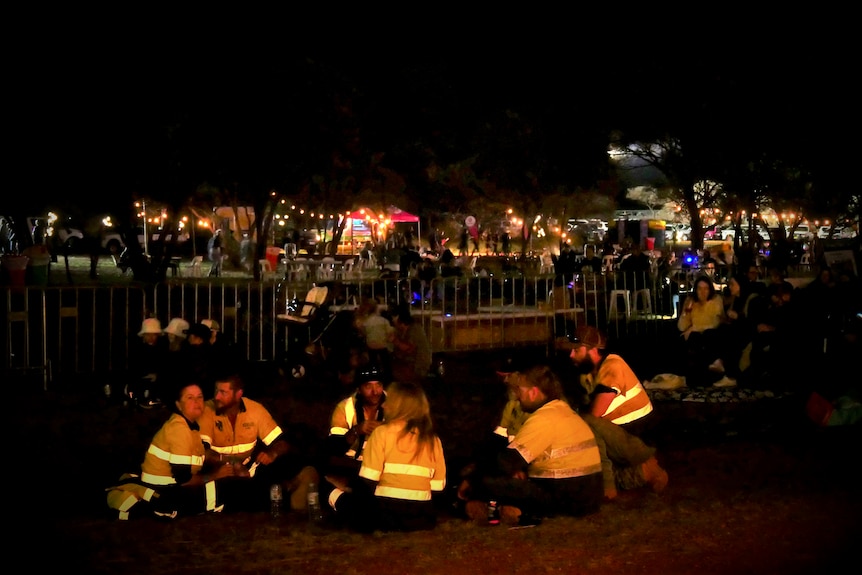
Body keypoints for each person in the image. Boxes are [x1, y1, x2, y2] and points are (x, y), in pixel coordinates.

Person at [459, 365, 604, 525]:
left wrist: (472, 479)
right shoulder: (564, 412)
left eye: (519, 390)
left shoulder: (543, 419)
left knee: (487, 482)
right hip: (588, 496)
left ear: (534, 392)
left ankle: (492, 508)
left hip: (564, 497)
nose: (516, 396)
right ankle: (509, 508)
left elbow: (506, 462)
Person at [106, 381, 238, 520]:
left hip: (170, 487)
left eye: (199, 397)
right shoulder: (179, 430)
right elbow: (184, 480)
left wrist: (228, 460)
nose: (197, 402)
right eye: (190, 398)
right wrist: (215, 475)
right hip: (163, 491)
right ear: (178, 405)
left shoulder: (190, 427)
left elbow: (203, 453)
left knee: (227, 489)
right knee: (223, 492)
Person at [325, 381, 446, 533]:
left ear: (399, 406)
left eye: (388, 401)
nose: (383, 405)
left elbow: (368, 482)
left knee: (332, 491)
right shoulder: (433, 440)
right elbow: (437, 487)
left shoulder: (381, 433)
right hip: (422, 518)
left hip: (386, 516)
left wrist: (345, 488)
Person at [197, 373, 319, 514]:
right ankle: (286, 489)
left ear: (238, 394)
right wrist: (233, 463)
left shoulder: (254, 410)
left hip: (248, 471)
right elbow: (203, 452)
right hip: (219, 470)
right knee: (235, 490)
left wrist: (272, 453)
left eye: (223, 392)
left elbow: (282, 442)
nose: (217, 397)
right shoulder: (206, 411)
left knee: (283, 462)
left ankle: (294, 484)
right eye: (216, 391)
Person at [561, 325, 655, 437]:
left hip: (635, 427)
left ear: (593, 350)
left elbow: (594, 414)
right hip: (620, 426)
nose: (571, 355)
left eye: (576, 350)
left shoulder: (613, 366)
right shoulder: (587, 372)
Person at [326, 365, 387, 477]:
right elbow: (334, 448)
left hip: (384, 468)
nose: (375, 392)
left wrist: (386, 429)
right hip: (351, 467)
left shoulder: (395, 404)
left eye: (378, 385)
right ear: (358, 389)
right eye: (368, 386)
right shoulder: (345, 407)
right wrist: (356, 431)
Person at [677, 275, 731, 387]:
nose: (703, 292)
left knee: (708, 334)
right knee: (694, 338)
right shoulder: (690, 301)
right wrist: (686, 313)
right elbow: (682, 327)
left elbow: (715, 322)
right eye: (700, 288)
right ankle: (697, 375)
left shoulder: (716, 300)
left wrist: (694, 327)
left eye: (706, 288)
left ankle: (715, 365)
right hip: (696, 336)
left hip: (712, 334)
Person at [126, 317, 169, 408]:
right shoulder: (136, 350)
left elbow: (166, 367)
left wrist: (157, 375)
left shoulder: (162, 350)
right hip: (139, 382)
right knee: (132, 391)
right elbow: (132, 369)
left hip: (157, 383)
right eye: (148, 335)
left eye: (154, 335)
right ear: (143, 335)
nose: (151, 338)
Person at [390, 307, 432, 385]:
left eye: (393, 318)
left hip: (416, 365)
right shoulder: (401, 330)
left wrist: (395, 341)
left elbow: (409, 349)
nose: (392, 320)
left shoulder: (415, 330)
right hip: (408, 362)